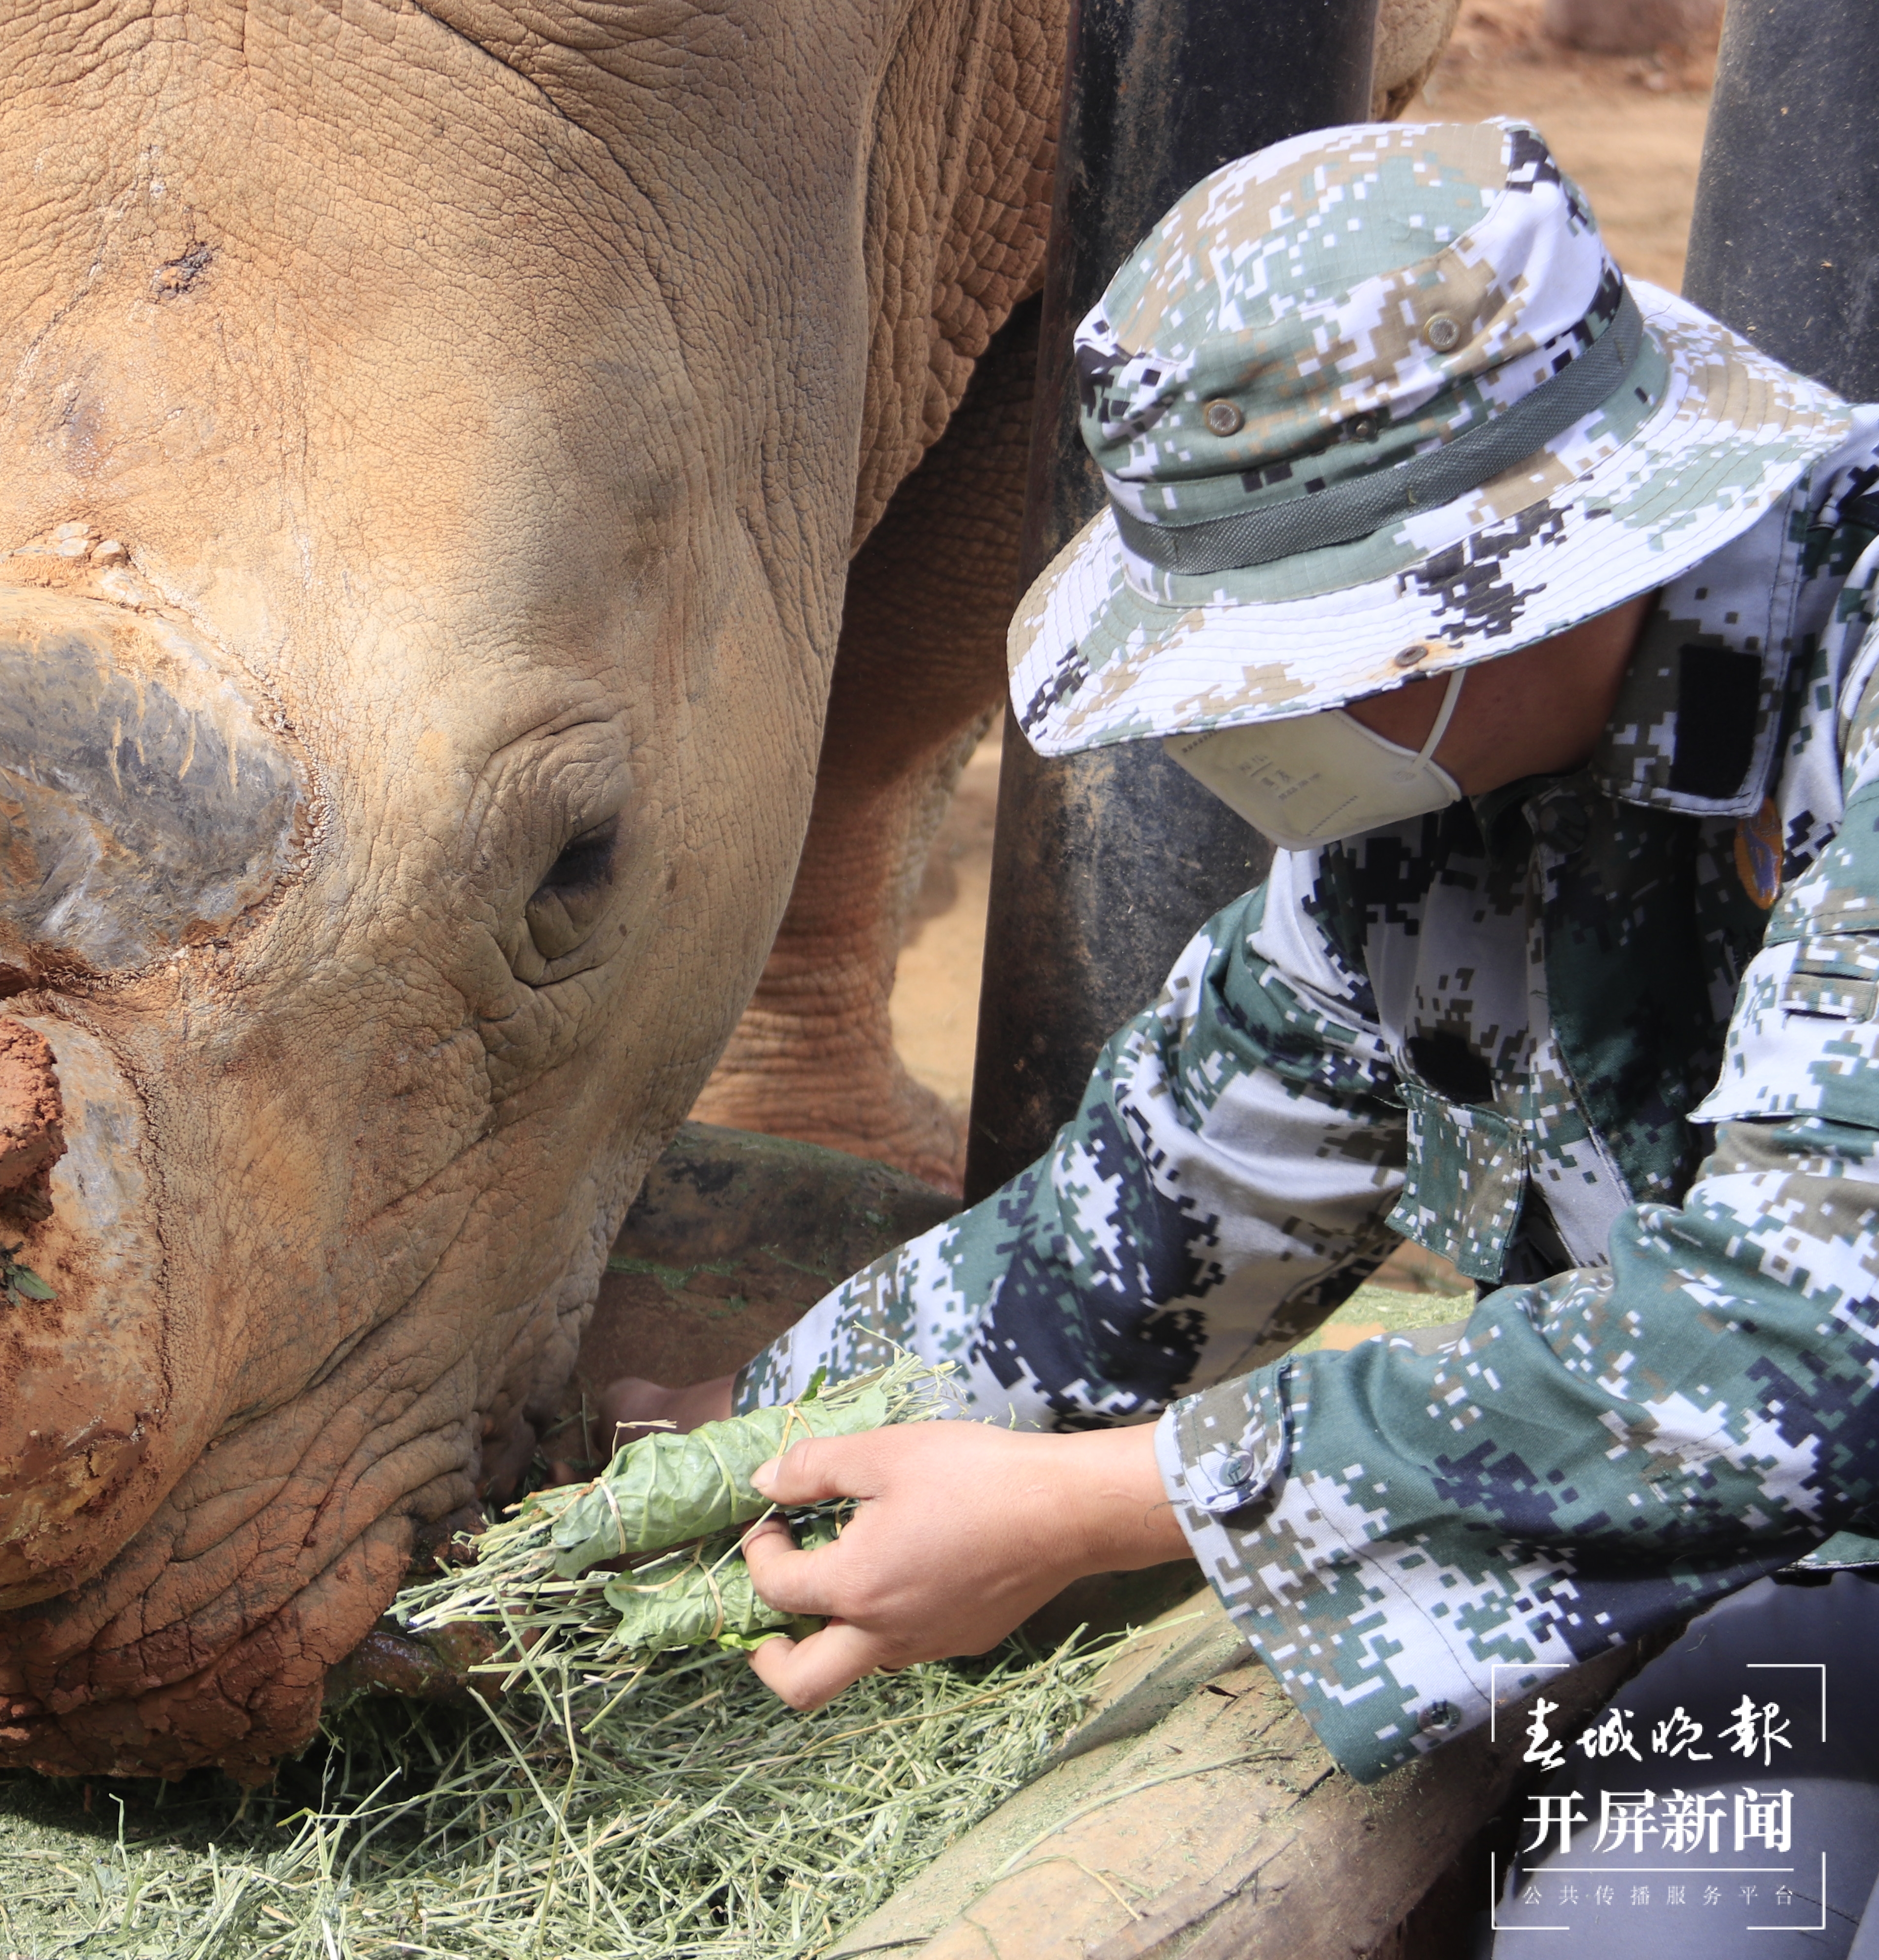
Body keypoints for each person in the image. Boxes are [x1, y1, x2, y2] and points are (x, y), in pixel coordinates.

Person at [605, 114, 1879, 1876]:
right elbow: (1143, 1236)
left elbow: (1804, 1352)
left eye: (1289, 659)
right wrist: (725, 1477)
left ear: (1500, 587)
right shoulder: (1437, 804)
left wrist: (1099, 1508)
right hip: (1761, 1523)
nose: (1236, 735)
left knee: (1672, 1892)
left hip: (1826, 1489)